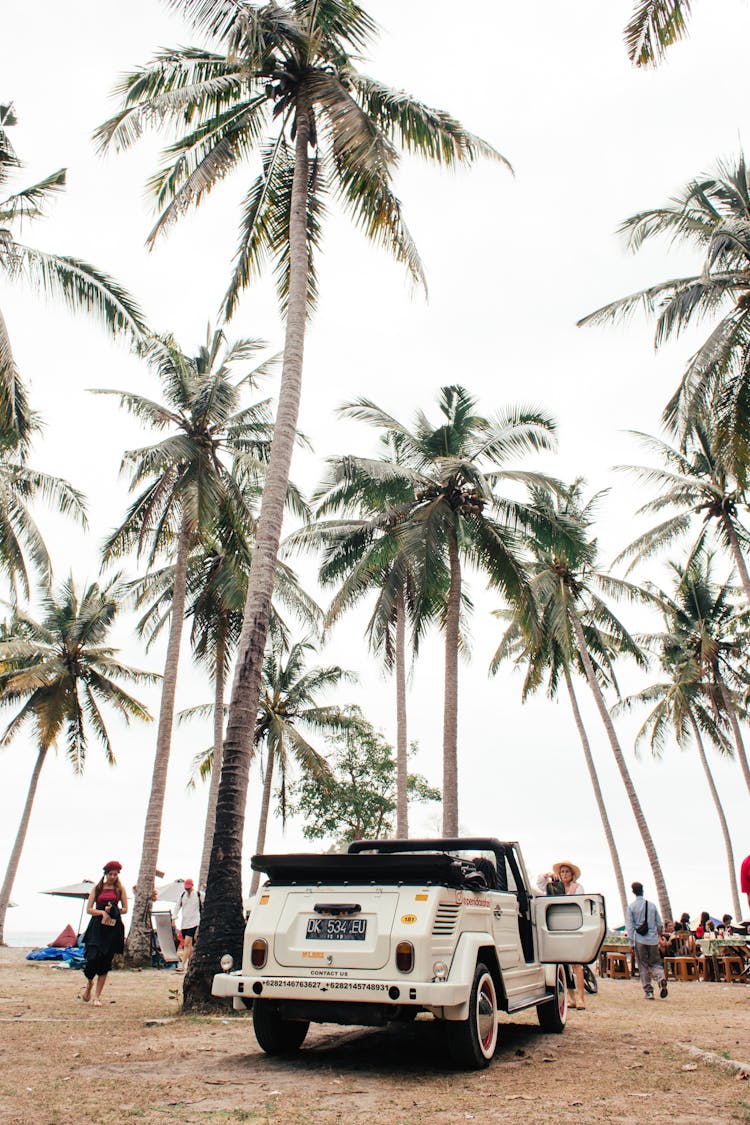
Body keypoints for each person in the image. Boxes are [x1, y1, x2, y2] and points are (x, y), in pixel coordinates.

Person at [536, 860, 586, 1010]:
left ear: (572, 875)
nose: (564, 874)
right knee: (564, 965)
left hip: (572, 925)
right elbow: (540, 883)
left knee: (577, 964)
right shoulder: (553, 886)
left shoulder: (577, 888)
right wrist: (547, 875)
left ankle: (581, 998)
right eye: (562, 872)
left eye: (567, 872)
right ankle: (571, 997)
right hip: (557, 926)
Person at [80, 860, 128, 1006]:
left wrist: (113, 911)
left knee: (105, 961)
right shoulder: (98, 888)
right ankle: (89, 983)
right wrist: (102, 912)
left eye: (115, 874)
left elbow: (125, 909)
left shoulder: (120, 889)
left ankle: (97, 996)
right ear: (106, 874)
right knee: (92, 958)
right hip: (96, 927)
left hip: (112, 929)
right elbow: (89, 909)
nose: (113, 876)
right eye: (110, 874)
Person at [625, 881, 667, 1000]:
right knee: (655, 963)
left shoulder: (631, 907)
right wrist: (658, 935)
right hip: (653, 940)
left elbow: (630, 926)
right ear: (643, 890)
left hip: (640, 939)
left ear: (633, 891)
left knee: (643, 965)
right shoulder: (652, 906)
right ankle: (661, 977)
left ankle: (649, 991)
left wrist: (631, 942)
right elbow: (659, 924)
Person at [175, 878, 202, 973]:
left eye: (189, 888)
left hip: (194, 922)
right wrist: (174, 917)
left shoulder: (198, 895)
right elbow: (177, 906)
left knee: (186, 943)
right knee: (189, 946)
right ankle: (191, 964)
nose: (187, 889)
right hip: (184, 923)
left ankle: (182, 965)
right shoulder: (183, 895)